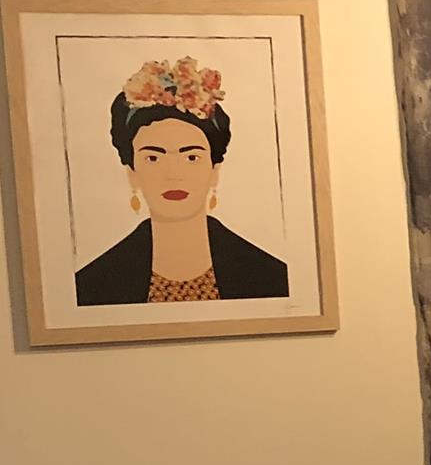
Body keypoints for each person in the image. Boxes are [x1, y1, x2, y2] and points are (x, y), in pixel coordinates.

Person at [75, 56, 287, 304]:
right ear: (132, 172)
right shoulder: (93, 284)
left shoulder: (270, 277)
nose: (174, 174)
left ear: (214, 169)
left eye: (192, 157)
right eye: (153, 158)